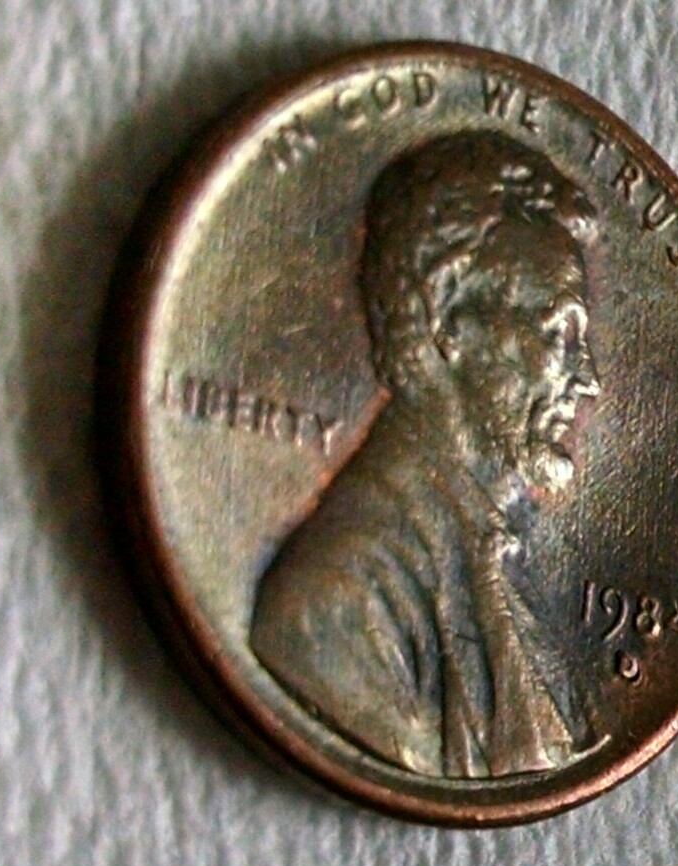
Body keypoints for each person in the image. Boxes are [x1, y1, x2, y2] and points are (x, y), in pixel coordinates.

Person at [250, 132, 601, 779]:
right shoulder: (334, 604)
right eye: (559, 332)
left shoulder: (496, 571)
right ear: (448, 325)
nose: (588, 380)